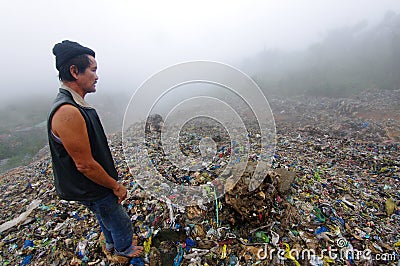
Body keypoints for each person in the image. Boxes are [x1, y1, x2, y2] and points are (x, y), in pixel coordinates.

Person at [47, 40, 143, 258]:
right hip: (89, 185)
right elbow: (85, 165)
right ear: (74, 71)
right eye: (93, 70)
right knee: (119, 220)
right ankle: (123, 250)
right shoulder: (67, 111)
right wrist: (115, 186)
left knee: (105, 215)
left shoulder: (75, 104)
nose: (97, 76)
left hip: (89, 185)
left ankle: (110, 245)